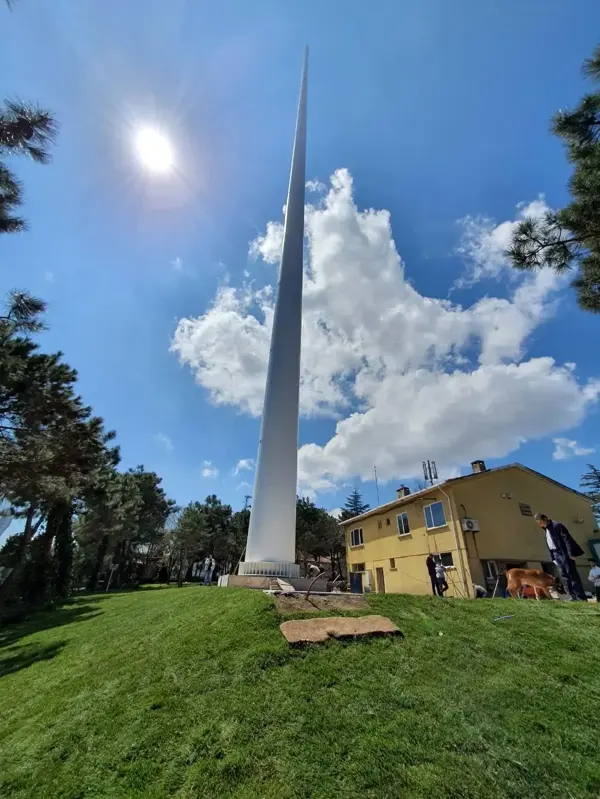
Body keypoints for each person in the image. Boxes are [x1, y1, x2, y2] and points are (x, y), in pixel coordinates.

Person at [534, 512, 587, 601]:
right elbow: (550, 544)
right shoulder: (546, 530)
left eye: (540, 522)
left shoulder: (557, 526)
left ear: (545, 519)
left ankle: (581, 597)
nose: (539, 524)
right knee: (564, 575)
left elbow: (567, 539)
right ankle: (572, 596)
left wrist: (571, 553)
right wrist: (553, 557)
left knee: (571, 574)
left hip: (563, 553)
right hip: (556, 554)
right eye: (538, 523)